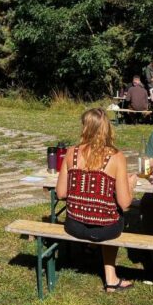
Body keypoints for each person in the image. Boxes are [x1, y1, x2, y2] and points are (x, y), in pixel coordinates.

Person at [56, 108, 138, 292]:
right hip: (105, 230)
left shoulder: (71, 153)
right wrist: (130, 185)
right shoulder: (116, 157)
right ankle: (111, 278)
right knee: (115, 214)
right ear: (107, 128)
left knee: (105, 214)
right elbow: (125, 204)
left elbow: (61, 193)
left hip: (74, 225)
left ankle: (91, 253)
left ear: (85, 127)